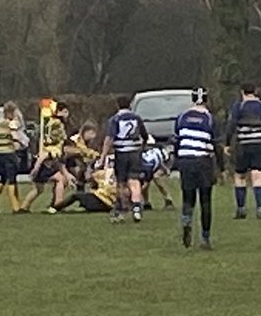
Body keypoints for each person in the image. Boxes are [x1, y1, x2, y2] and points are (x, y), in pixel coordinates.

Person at [174, 87, 223, 250]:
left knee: (188, 197)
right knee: (205, 199)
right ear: (207, 100)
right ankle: (205, 237)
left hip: (186, 160)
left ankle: (187, 222)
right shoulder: (210, 119)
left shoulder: (181, 117)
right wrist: (221, 166)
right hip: (203, 161)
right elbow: (216, 144)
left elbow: (177, 140)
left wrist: (176, 160)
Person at [226, 83, 261, 219]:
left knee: (240, 175)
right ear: (255, 91)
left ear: (242, 92)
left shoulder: (239, 106)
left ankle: (241, 208)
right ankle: (260, 207)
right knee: (258, 175)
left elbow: (232, 124)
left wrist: (228, 143)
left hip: (244, 144)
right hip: (260, 142)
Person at [102, 95, 149, 223]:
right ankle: (137, 209)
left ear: (117, 105)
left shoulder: (115, 119)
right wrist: (142, 147)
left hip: (121, 153)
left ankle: (121, 208)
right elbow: (144, 135)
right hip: (135, 152)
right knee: (134, 181)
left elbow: (109, 139)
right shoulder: (137, 118)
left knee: (121, 182)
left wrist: (103, 155)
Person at [20, 104, 68, 213]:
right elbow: (43, 155)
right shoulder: (53, 144)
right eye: (65, 111)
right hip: (42, 165)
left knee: (38, 189)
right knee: (61, 179)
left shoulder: (51, 128)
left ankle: (24, 207)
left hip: (42, 164)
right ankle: (57, 204)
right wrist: (35, 169)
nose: (67, 114)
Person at [50, 157, 116, 214]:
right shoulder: (123, 175)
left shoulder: (104, 172)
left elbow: (89, 179)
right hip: (112, 204)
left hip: (102, 200)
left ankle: (55, 208)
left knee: (75, 195)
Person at [141, 142, 174, 210]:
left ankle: (168, 199)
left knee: (156, 177)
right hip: (156, 160)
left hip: (164, 160)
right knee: (145, 180)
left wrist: (166, 169)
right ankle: (146, 203)